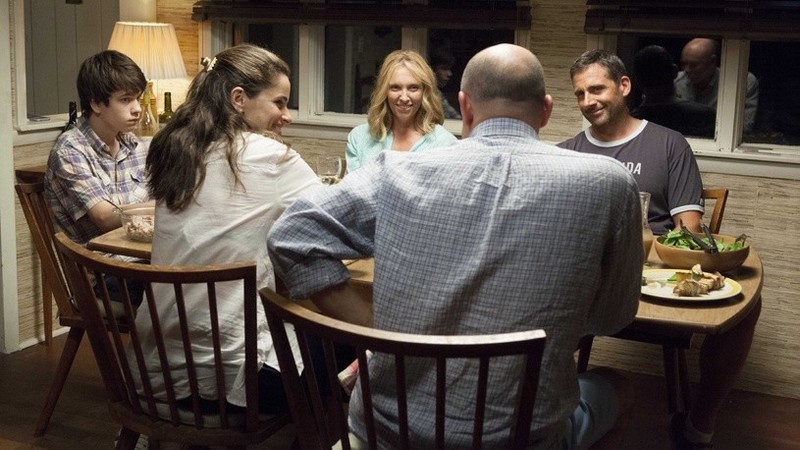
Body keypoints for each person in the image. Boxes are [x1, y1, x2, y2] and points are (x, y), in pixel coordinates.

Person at [269, 43, 642, 449]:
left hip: (387, 433)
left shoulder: (393, 172)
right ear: (546, 110)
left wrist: (374, 329)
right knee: (619, 384)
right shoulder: (610, 183)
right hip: (522, 439)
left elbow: (291, 235)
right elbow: (612, 318)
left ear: (464, 107)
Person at [561, 49, 762, 449]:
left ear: (624, 86)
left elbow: (689, 231)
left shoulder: (668, 144)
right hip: (586, 283)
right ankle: (553, 413)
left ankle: (698, 426)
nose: (588, 101)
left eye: (596, 89)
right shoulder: (566, 153)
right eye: (580, 94)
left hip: (653, 279)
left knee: (746, 308)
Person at [143, 44, 321, 416]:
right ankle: (325, 432)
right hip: (237, 377)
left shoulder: (176, 149)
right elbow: (339, 219)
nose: (286, 116)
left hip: (159, 370)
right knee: (350, 344)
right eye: (279, 103)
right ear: (238, 99)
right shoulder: (271, 158)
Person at [45, 50, 151, 249]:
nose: (137, 108)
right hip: (101, 263)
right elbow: (104, 217)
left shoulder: (135, 144)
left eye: (137, 98)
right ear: (95, 104)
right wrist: (161, 208)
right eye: (125, 99)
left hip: (141, 253)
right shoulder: (70, 150)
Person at [345, 50, 457, 173]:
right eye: (395, 88)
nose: (404, 98)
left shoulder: (446, 144)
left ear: (425, 92)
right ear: (384, 92)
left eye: (413, 88)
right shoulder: (359, 138)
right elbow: (351, 185)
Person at [674, 38, 759, 133]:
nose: (687, 70)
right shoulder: (675, 82)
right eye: (684, 64)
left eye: (693, 65)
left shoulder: (742, 83)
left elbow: (744, 127)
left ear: (712, 61)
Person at [631, 45, 716, 138]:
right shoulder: (708, 117)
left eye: (694, 64)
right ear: (675, 72)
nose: (687, 70)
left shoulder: (629, 125)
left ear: (637, 81)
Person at [429, 47, 462, 119]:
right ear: (432, 70)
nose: (449, 74)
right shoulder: (428, 94)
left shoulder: (437, 93)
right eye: (444, 69)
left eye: (449, 69)